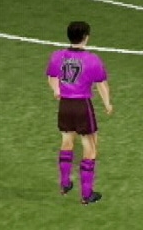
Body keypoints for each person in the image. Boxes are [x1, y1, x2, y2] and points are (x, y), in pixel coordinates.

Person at [45, 21, 113, 205]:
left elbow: (51, 77)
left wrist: (56, 90)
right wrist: (107, 103)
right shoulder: (92, 59)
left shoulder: (57, 56)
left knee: (67, 141)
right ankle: (86, 194)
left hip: (65, 105)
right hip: (82, 105)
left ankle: (65, 184)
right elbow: (101, 85)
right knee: (90, 147)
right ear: (86, 37)